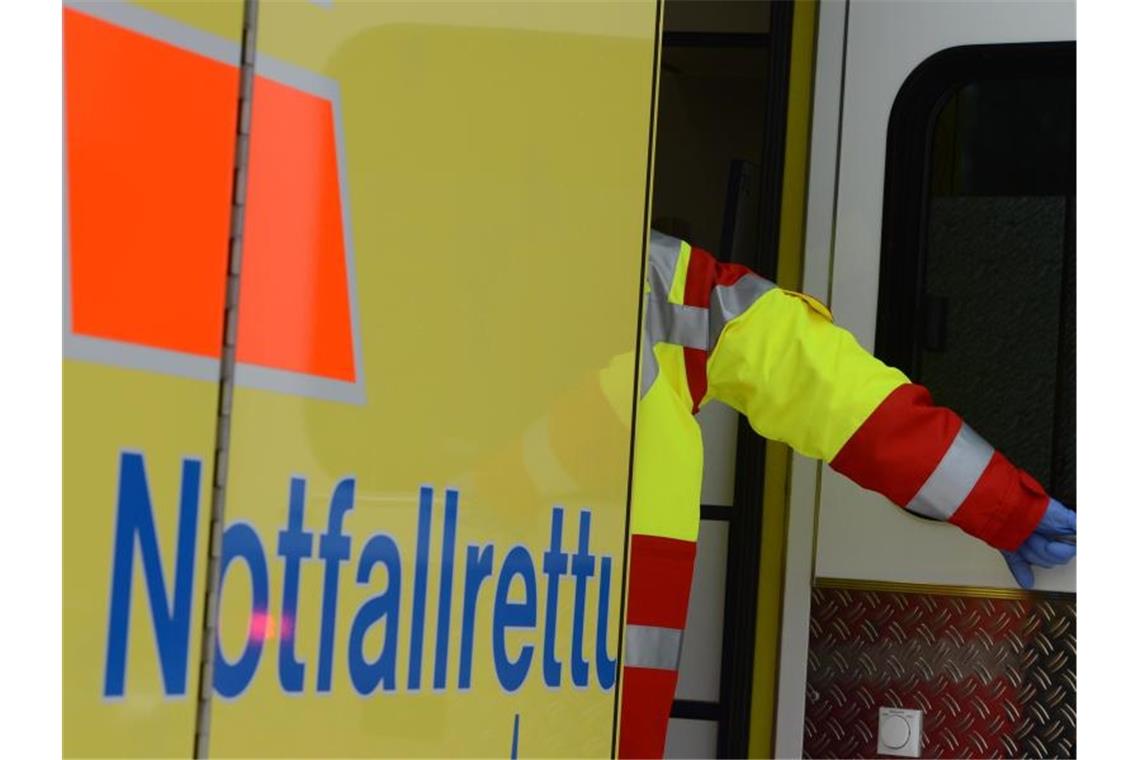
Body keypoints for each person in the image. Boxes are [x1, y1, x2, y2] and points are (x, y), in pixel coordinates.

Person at [616, 230, 1075, 758]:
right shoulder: (650, 275)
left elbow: (833, 393)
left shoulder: (645, 275)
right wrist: (1002, 504)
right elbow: (831, 389)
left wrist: (1002, 505)